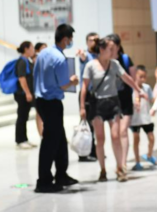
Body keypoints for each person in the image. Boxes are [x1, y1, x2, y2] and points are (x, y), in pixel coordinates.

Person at [80, 36, 147, 182]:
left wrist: (138, 90)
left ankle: (119, 168)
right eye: (110, 49)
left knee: (115, 136)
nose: (113, 51)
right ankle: (102, 170)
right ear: (102, 50)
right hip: (97, 104)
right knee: (100, 138)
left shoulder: (115, 64)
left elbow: (127, 78)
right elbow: (84, 87)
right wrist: (82, 107)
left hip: (113, 102)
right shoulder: (90, 65)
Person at [33, 24, 79, 193]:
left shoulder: (43, 53)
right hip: (52, 102)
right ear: (66, 39)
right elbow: (63, 85)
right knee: (50, 142)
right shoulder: (59, 59)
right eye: (71, 39)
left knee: (59, 139)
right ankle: (43, 181)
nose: (71, 42)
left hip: (41, 101)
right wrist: (73, 81)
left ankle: (61, 175)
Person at [109, 34, 136, 173]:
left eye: (112, 46)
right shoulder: (105, 61)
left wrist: (137, 95)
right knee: (115, 134)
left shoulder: (125, 59)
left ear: (118, 47)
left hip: (125, 101)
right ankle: (119, 162)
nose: (110, 49)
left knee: (123, 131)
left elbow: (133, 79)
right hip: (112, 101)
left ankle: (123, 163)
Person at [77, 32, 99, 162]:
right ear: (87, 42)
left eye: (96, 40)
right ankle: (84, 153)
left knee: (96, 124)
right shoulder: (85, 55)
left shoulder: (100, 55)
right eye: (91, 40)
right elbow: (83, 56)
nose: (94, 42)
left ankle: (94, 151)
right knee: (86, 125)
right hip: (86, 94)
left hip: (97, 95)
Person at [14, 41, 40, 149]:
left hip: (26, 94)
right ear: (26, 48)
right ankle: (20, 140)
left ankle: (24, 139)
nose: (33, 50)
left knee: (25, 116)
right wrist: (28, 93)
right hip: (22, 94)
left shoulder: (27, 61)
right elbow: (22, 78)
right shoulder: (22, 62)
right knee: (22, 116)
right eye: (32, 48)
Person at [130, 65, 156, 171]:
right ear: (135, 75)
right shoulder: (131, 88)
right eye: (140, 76)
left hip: (146, 118)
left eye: (144, 77)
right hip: (135, 119)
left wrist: (150, 99)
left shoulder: (147, 88)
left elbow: (151, 99)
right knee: (136, 139)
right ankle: (137, 162)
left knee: (151, 138)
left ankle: (149, 155)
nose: (142, 79)